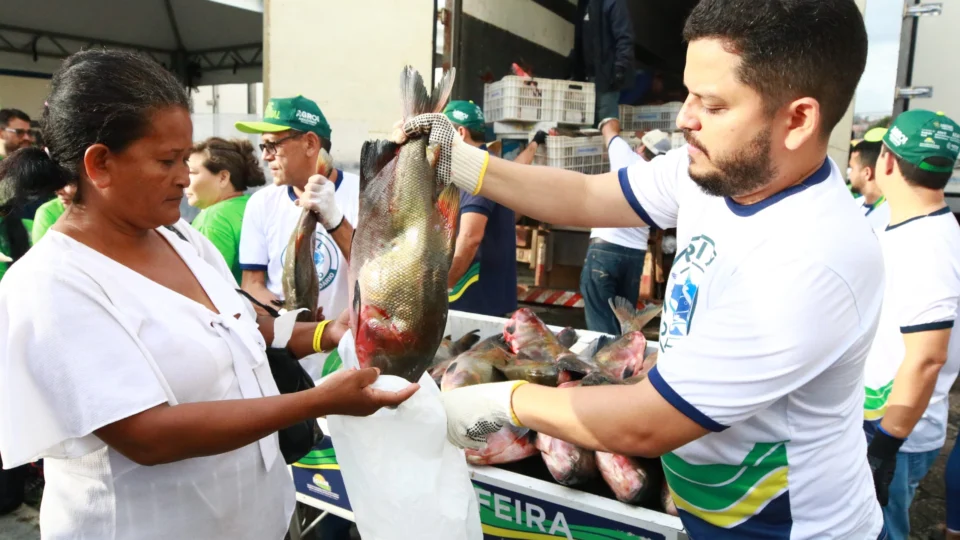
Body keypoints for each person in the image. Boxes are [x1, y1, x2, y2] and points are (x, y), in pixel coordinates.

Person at [408, 0, 887, 537]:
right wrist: (464, 161)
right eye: (689, 93)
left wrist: (508, 399)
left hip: (785, 527)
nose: (684, 118)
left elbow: (647, 423)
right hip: (711, 511)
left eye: (713, 104)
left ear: (797, 119)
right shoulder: (713, 171)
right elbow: (589, 196)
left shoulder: (811, 259)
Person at [0, 49, 417, 540]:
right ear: (100, 164)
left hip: (255, 519)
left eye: (187, 157)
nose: (185, 175)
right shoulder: (52, 284)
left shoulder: (178, 236)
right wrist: (316, 402)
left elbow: (238, 322)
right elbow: (146, 434)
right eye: (168, 161)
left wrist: (328, 333)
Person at [861, 110, 960, 540]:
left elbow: (927, 359)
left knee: (882, 533)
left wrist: (884, 445)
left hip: (896, 433)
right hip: (879, 417)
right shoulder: (904, 227)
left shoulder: (927, 245)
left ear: (885, 160)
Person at [236, 96, 359, 380]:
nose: (265, 156)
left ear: (310, 143)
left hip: (346, 358)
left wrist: (334, 219)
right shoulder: (261, 203)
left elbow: (376, 272)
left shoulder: (362, 193)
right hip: (287, 358)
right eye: (263, 146)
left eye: (273, 145)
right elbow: (252, 283)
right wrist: (290, 317)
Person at [445, 101, 534, 316]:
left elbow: (470, 237)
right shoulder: (494, 164)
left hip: (472, 300)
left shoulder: (473, 170)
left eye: (442, 131)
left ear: (460, 132)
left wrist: (444, 285)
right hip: (494, 297)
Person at [580, 119, 663, 334]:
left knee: (602, 325)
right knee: (624, 324)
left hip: (606, 250)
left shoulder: (627, 158)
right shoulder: (663, 179)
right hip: (635, 256)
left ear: (642, 147)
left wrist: (610, 122)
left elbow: (609, 128)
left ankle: (605, 364)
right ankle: (622, 362)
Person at [187, 137, 266, 283]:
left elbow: (206, 286)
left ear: (223, 177)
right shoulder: (256, 205)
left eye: (192, 172)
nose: (184, 179)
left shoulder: (213, 219)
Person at [570, 0, 636, 124]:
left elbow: (625, 38)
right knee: (586, 128)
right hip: (586, 80)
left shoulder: (613, 3)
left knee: (606, 124)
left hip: (607, 79)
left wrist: (619, 68)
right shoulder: (583, 4)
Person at [849, 136, 889, 229]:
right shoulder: (852, 205)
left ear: (867, 173)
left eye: (852, 168)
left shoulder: (889, 216)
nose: (850, 174)